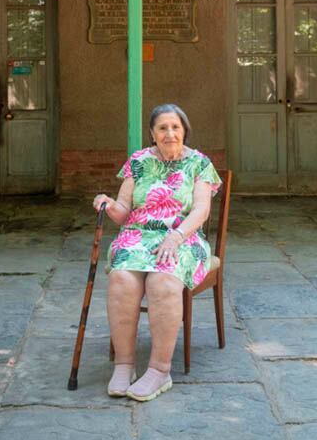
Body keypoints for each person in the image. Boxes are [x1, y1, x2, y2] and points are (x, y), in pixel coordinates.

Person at [91, 103, 222, 402]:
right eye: (162, 128)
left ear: (184, 130)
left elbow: (201, 210)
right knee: (121, 278)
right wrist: (109, 204)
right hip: (138, 236)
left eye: (175, 127)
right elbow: (124, 213)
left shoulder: (199, 163)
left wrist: (175, 237)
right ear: (152, 133)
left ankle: (160, 370)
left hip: (184, 237)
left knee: (162, 281)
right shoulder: (138, 162)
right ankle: (124, 365)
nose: (169, 133)